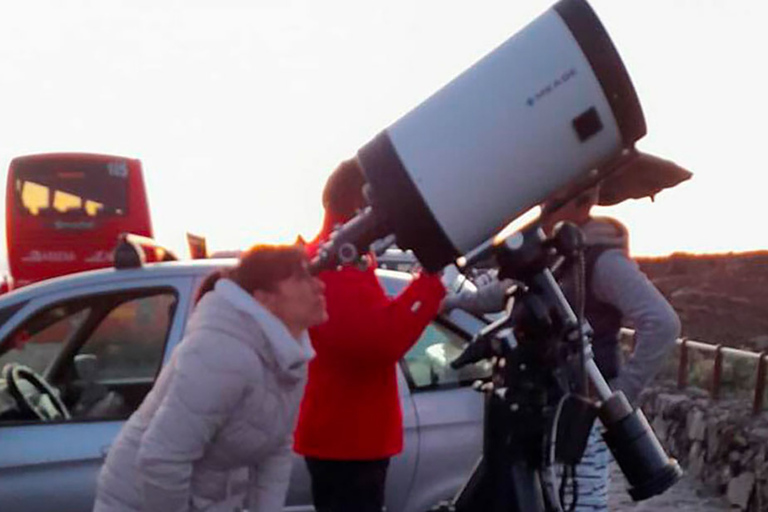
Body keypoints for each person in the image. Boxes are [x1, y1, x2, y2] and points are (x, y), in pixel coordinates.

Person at [442, 186, 681, 512]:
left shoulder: (601, 260)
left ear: (586, 203)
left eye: (553, 201)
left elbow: (662, 323)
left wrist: (618, 394)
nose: (543, 207)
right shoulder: (550, 253)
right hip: (541, 408)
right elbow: (503, 293)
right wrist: (450, 304)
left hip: (579, 416)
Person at [94, 244, 327, 512]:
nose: (318, 286)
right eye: (301, 278)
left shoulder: (290, 356)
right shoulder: (221, 353)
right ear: (264, 298)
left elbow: (276, 450)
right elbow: (162, 460)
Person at [294, 158, 446, 512]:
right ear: (364, 206)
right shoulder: (333, 266)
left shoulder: (336, 261)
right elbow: (380, 340)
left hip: (345, 437)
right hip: (350, 440)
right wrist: (429, 284)